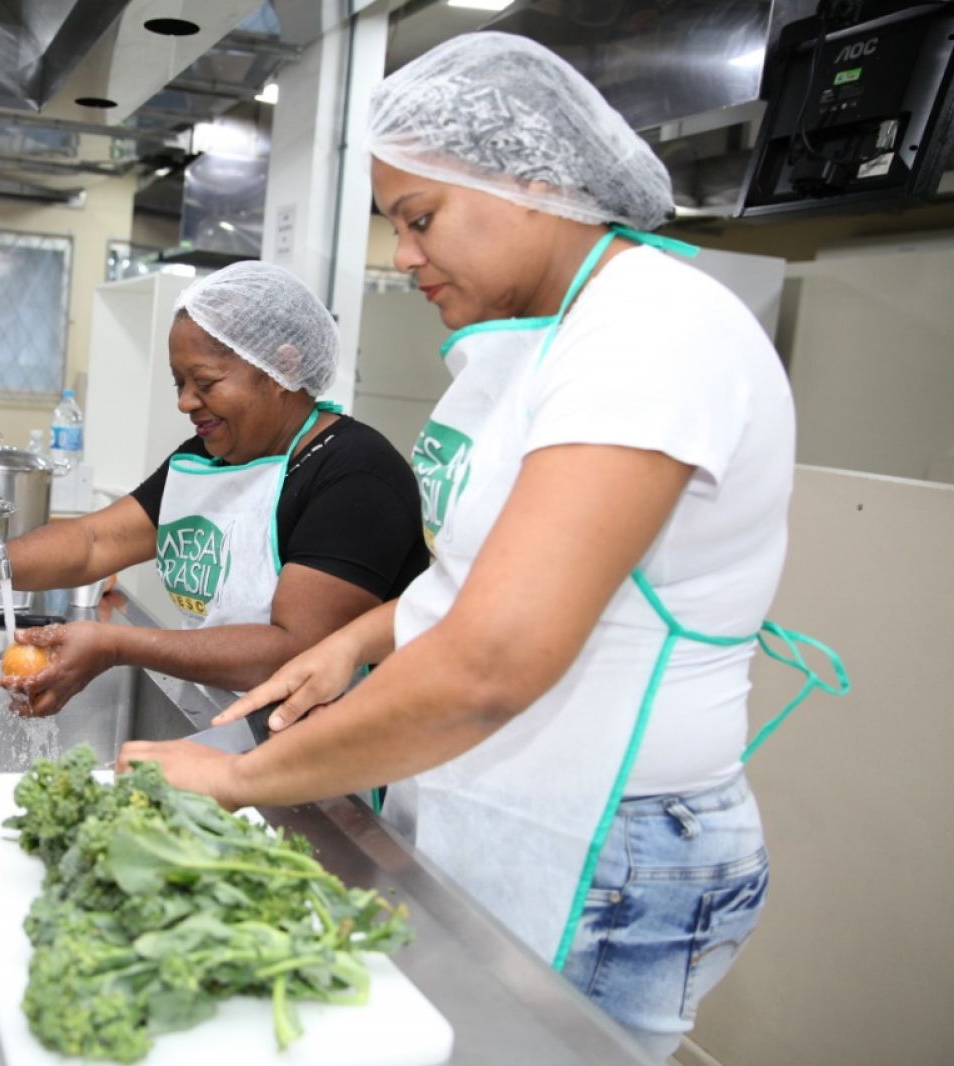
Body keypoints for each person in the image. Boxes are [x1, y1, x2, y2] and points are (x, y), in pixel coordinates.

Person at [117, 34, 846, 1061]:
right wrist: (359, 638)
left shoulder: (651, 335)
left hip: (611, 837)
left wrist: (240, 779)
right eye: (393, 225)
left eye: (420, 218)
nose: (402, 256)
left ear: (534, 181)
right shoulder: (531, 345)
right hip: (503, 800)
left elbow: (495, 657)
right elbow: (479, 572)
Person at [0, 261, 428, 717]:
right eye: (179, 383)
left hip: (339, 758)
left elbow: (294, 649)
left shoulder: (356, 474)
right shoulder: (205, 458)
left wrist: (117, 646)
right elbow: (93, 543)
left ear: (283, 367)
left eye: (205, 382)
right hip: (232, 720)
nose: (185, 403)